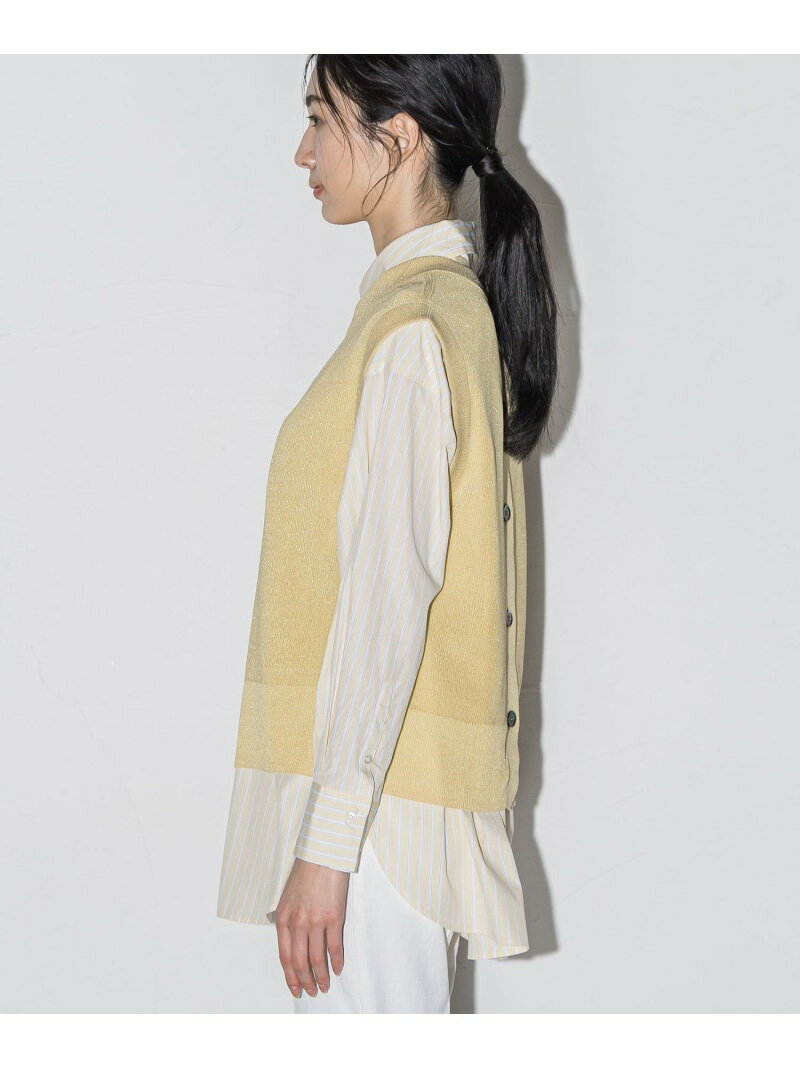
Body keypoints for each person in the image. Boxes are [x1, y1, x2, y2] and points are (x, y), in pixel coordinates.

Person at [217, 54, 558, 1014]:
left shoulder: (414, 330)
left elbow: (387, 598)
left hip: (375, 829)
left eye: (320, 118)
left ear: (398, 136)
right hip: (385, 811)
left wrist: (328, 843)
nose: (304, 151)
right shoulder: (427, 314)